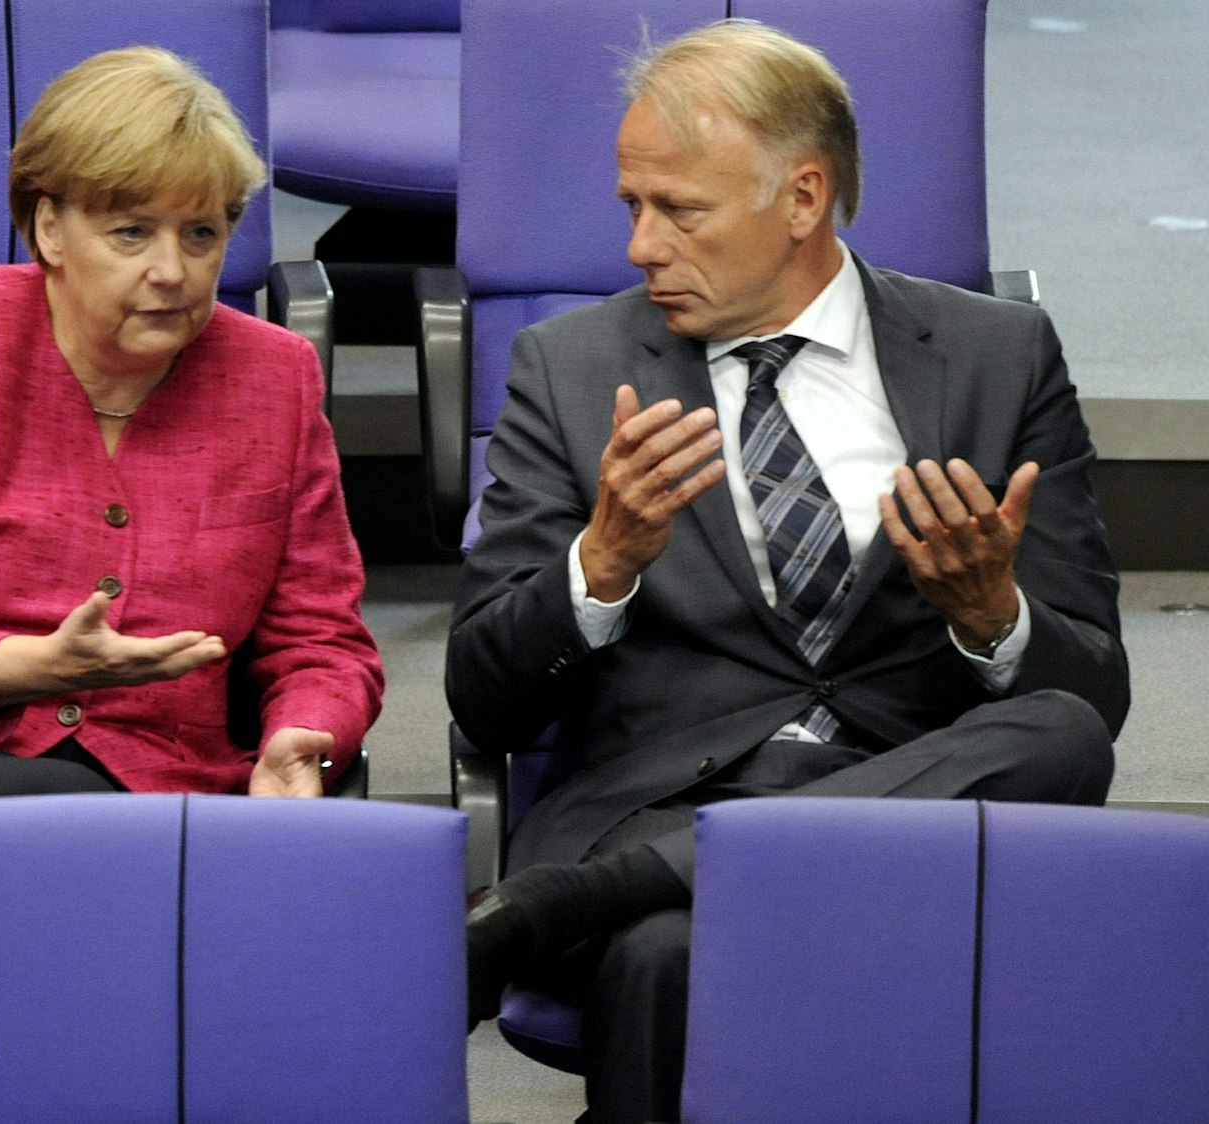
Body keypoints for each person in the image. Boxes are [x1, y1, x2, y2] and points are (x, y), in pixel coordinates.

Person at [450, 20, 1127, 1123]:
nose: (638, 245)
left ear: (802, 199)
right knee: (663, 952)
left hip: (910, 804)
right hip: (662, 795)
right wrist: (602, 562)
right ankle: (641, 882)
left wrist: (988, 612)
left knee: (1059, 733)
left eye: (679, 209)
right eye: (632, 206)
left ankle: (559, 904)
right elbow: (484, 694)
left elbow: (1094, 690)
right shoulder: (570, 371)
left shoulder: (996, 357)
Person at [0, 46, 383, 977]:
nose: (173, 271)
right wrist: (33, 667)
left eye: (202, 235)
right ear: (49, 228)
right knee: (94, 872)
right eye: (131, 233)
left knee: (112, 890)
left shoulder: (274, 379)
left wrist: (306, 737)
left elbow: (321, 643)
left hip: (156, 799)